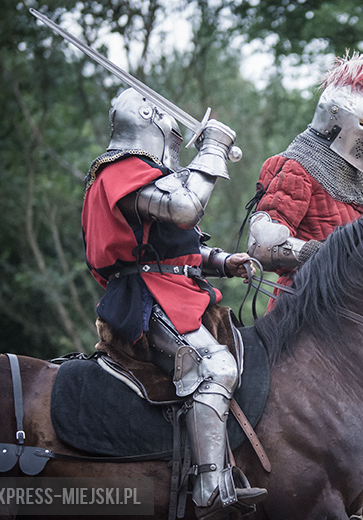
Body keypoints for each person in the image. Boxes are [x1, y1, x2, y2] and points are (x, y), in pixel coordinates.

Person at [81, 87, 266, 519]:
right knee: (216, 368)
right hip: (144, 300)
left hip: (175, 292)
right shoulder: (118, 172)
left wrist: (223, 261)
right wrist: (213, 148)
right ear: (152, 123)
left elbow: (170, 250)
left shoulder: (142, 177)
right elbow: (186, 211)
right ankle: (210, 491)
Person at [247, 50, 363, 306]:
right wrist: (318, 252)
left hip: (361, 306)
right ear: (336, 121)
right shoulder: (295, 167)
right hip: (307, 305)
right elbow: (261, 245)